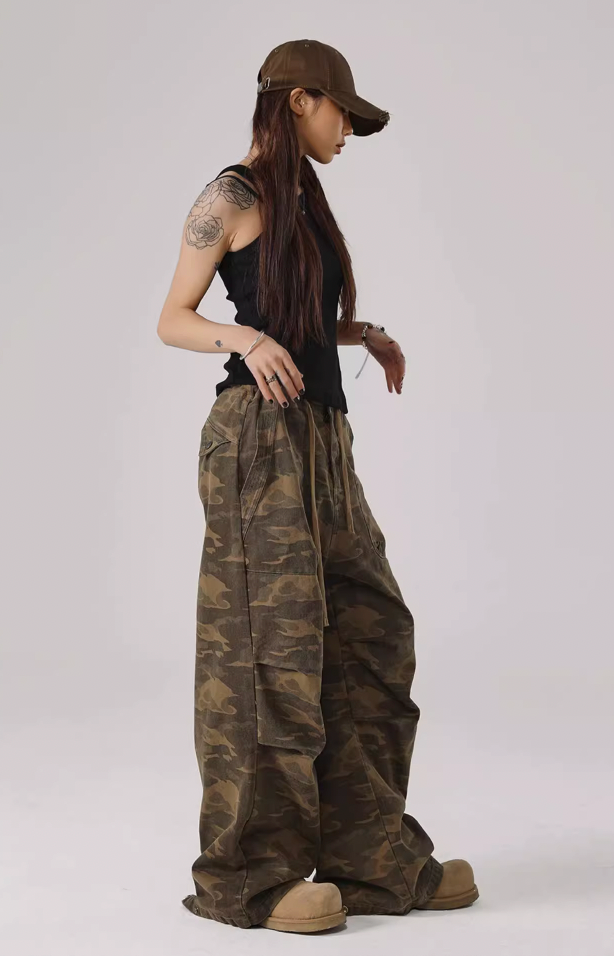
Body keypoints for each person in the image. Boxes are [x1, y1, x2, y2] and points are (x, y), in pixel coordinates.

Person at [157, 38, 479, 934]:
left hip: (322, 439)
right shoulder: (229, 196)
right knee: (270, 650)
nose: (348, 131)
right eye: (343, 113)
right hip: (257, 442)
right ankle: (251, 879)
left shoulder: (306, 200)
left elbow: (292, 317)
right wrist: (243, 340)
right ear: (299, 100)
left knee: (370, 631)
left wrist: (357, 333)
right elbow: (173, 318)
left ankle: (371, 860)